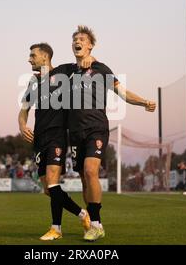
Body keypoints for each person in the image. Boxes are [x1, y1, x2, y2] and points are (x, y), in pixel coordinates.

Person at [66, 25, 156, 241]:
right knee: (84, 180)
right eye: (74, 39)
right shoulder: (67, 71)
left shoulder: (101, 69)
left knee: (90, 171)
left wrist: (144, 102)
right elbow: (49, 70)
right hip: (75, 132)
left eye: (82, 39)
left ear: (90, 45)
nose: (77, 41)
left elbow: (123, 93)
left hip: (96, 128)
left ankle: (96, 224)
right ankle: (94, 221)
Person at [18, 43, 94, 240]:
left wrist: (89, 59)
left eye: (32, 55)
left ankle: (56, 229)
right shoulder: (33, 82)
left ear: (45, 57)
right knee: (47, 189)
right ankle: (82, 214)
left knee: (53, 182)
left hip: (57, 135)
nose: (29, 59)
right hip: (39, 137)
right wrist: (22, 126)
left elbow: (84, 62)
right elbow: (23, 110)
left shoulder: (64, 72)